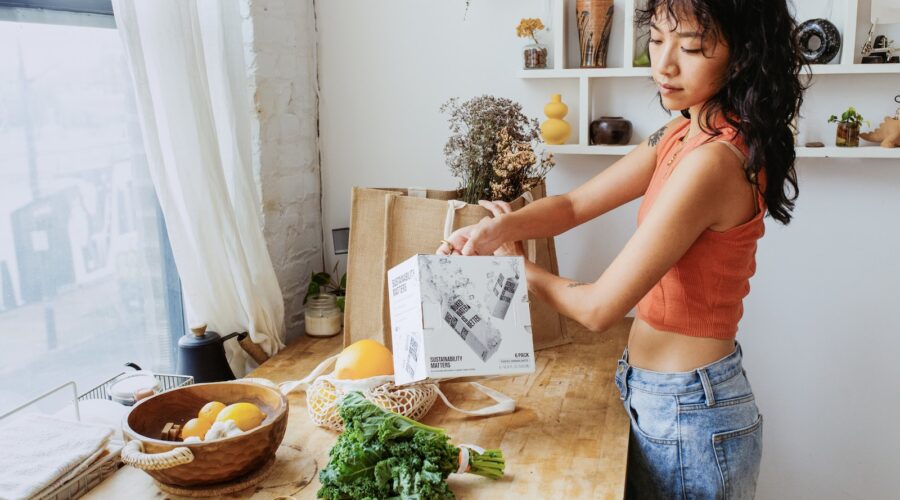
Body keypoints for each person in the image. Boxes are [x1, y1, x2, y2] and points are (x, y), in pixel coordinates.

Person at [437, 1, 806, 498]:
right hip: (659, 399)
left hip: (689, 413)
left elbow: (597, 308)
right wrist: (496, 230)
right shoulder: (681, 131)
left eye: (691, 47)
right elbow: (571, 205)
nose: (664, 64)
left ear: (741, 56)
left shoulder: (715, 160)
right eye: (656, 40)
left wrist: (517, 268)